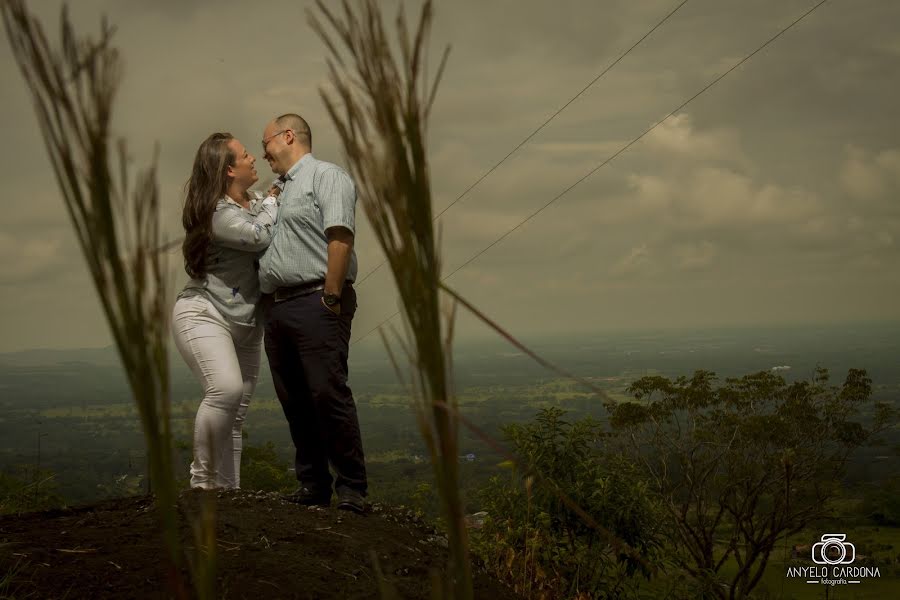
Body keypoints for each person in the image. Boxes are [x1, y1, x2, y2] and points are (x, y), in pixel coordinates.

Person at [258, 113, 367, 513]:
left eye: (265, 141)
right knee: (295, 399)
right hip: (279, 304)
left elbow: (340, 235)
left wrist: (331, 296)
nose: (262, 151)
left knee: (327, 392)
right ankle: (313, 485)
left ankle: (352, 488)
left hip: (315, 297)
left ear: (288, 136)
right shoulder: (277, 190)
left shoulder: (327, 175)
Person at [172, 132, 279, 490]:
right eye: (246, 155)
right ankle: (202, 485)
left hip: (247, 322)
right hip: (204, 313)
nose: (254, 159)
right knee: (225, 391)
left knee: (235, 415)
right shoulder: (218, 212)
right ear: (229, 170)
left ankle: (229, 494)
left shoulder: (258, 201)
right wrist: (273, 203)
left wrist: (271, 200)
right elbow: (259, 237)